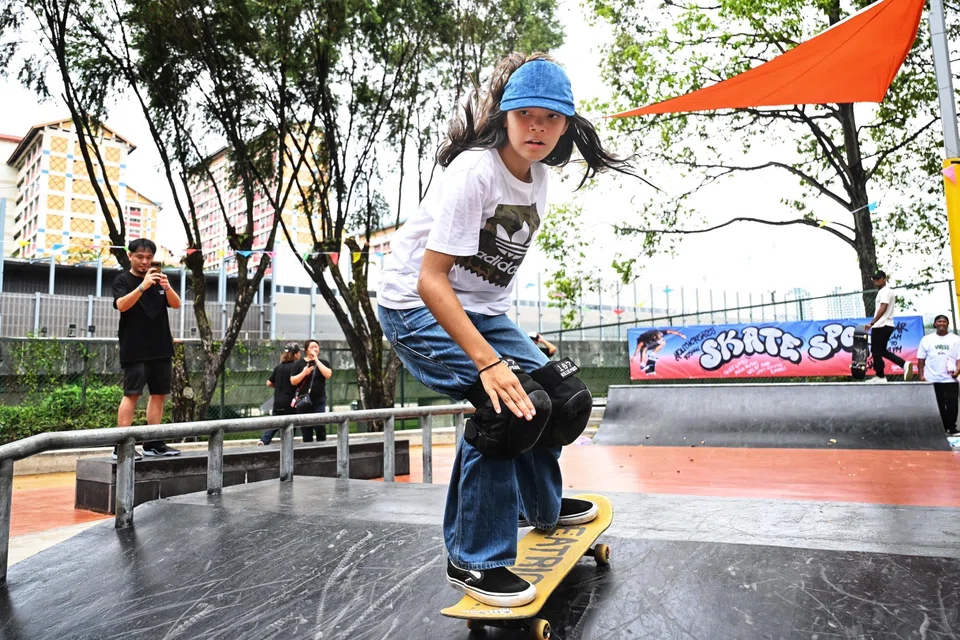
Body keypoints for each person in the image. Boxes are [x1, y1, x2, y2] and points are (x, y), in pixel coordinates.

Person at [376, 52, 634, 607]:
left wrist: (516, 345)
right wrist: (492, 363)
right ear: (506, 117)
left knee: (563, 399)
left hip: (483, 313)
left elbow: (489, 280)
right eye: (526, 116)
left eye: (551, 118)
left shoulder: (539, 178)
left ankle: (536, 506)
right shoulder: (474, 172)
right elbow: (432, 280)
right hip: (414, 306)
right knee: (508, 408)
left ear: (566, 125)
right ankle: (475, 559)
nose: (537, 128)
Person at [111, 238, 182, 459]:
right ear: (130, 256)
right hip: (135, 347)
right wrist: (142, 287)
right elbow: (121, 305)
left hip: (161, 345)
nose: (144, 262)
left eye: (149, 258)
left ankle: (153, 443)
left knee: (159, 394)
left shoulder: (159, 280)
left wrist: (166, 286)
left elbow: (177, 304)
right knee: (131, 394)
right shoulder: (122, 279)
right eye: (140, 257)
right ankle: (122, 445)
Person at [866, 270, 914, 382]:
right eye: (875, 279)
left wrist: (872, 322)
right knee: (880, 351)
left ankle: (881, 376)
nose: (876, 281)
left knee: (876, 350)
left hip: (881, 325)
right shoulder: (884, 292)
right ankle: (902, 365)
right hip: (886, 325)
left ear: (885, 278)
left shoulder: (885, 291)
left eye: (879, 278)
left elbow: (883, 307)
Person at [917, 315, 960, 435]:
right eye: (939, 321)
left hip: (951, 379)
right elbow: (921, 359)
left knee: (952, 404)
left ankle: (951, 428)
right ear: (935, 324)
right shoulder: (927, 339)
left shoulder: (956, 339)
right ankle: (940, 428)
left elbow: (959, 359)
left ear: (948, 324)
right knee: (938, 404)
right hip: (932, 378)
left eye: (944, 321)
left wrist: (957, 372)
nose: (942, 323)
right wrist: (921, 375)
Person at [259, 343, 301, 446]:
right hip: (291, 402)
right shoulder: (296, 367)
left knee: (275, 422)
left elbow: (269, 383)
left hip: (278, 401)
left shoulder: (279, 367)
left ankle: (264, 440)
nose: (300, 354)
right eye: (299, 352)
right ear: (295, 354)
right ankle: (287, 445)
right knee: (291, 424)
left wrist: (279, 386)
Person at [291, 339, 333, 442]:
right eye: (312, 347)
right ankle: (308, 451)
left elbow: (328, 374)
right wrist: (304, 373)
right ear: (306, 350)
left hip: (319, 399)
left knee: (320, 426)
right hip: (304, 400)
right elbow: (293, 381)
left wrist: (316, 360)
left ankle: (321, 448)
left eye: (316, 347)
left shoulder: (323, 362)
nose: (314, 349)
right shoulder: (299, 364)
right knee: (306, 428)